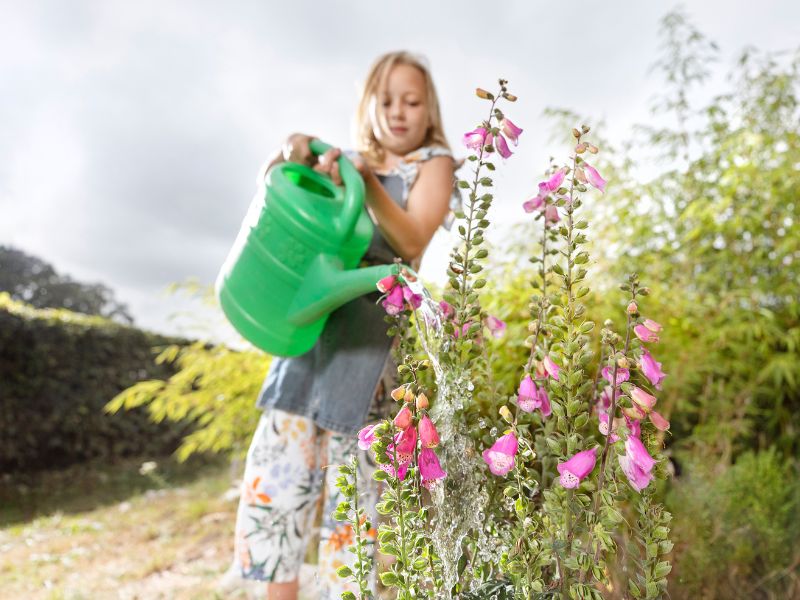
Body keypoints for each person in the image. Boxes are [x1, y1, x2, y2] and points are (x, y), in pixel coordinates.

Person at [230, 50, 459, 600]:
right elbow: (283, 197)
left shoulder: (434, 163)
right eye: (386, 100)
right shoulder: (348, 161)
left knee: (355, 506)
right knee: (279, 491)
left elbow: (410, 241)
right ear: (368, 105)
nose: (398, 112)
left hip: (369, 355)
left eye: (412, 101)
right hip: (307, 339)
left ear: (430, 110)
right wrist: (290, 152)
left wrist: (367, 181)